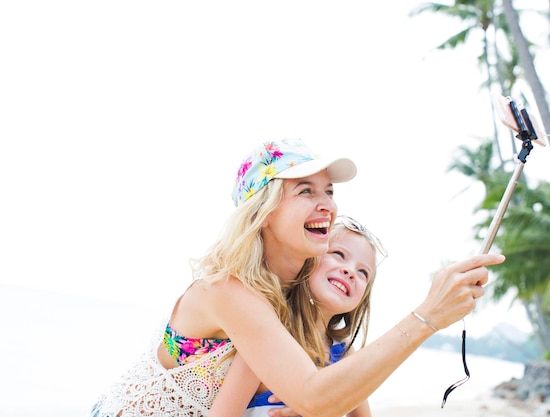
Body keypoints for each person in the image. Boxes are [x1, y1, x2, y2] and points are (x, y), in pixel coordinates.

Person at [90, 138, 505, 417]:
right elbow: (312, 395)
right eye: (306, 191)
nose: (326, 204)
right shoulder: (228, 290)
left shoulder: (289, 299)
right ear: (264, 212)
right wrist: (428, 315)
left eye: (329, 191)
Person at [211, 215, 386, 417]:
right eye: (338, 254)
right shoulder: (266, 338)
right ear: (308, 259)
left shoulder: (344, 355)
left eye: (363, 272)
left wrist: (324, 404)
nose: (350, 271)